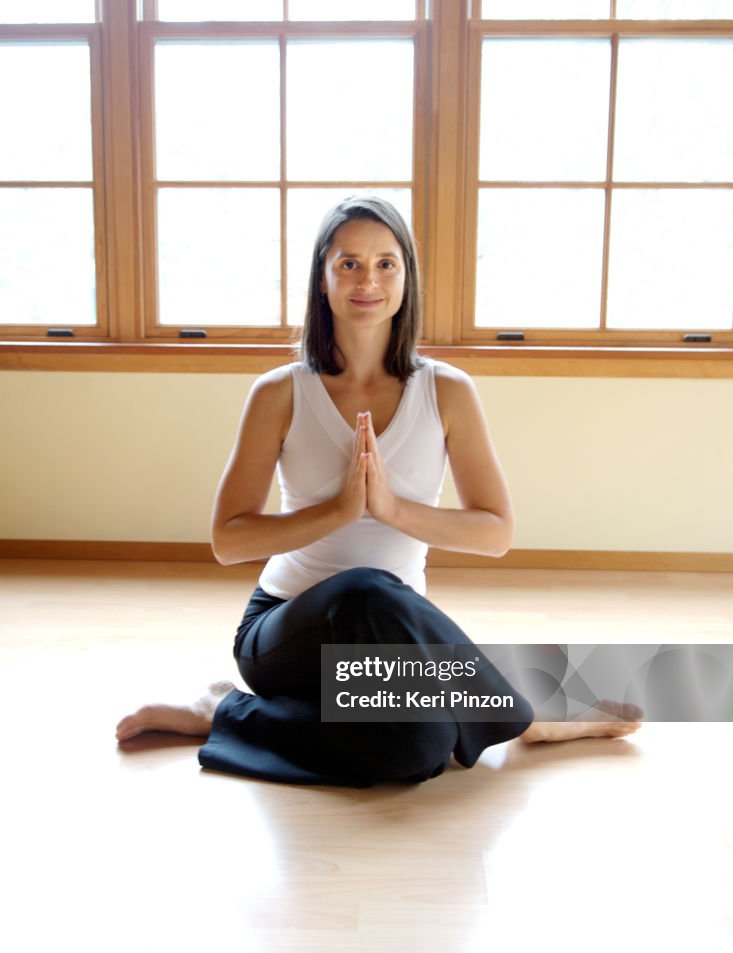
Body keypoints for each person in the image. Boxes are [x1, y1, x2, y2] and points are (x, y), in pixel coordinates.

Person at [116, 197, 642, 785]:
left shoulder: (448, 391)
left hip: (392, 640)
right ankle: (524, 714)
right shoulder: (279, 393)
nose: (368, 280)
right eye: (349, 264)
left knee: (418, 749)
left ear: (406, 277)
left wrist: (391, 510)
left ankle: (223, 711)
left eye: (386, 264)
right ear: (322, 277)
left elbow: (496, 533)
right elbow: (228, 540)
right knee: (366, 587)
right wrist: (340, 511)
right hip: (286, 634)